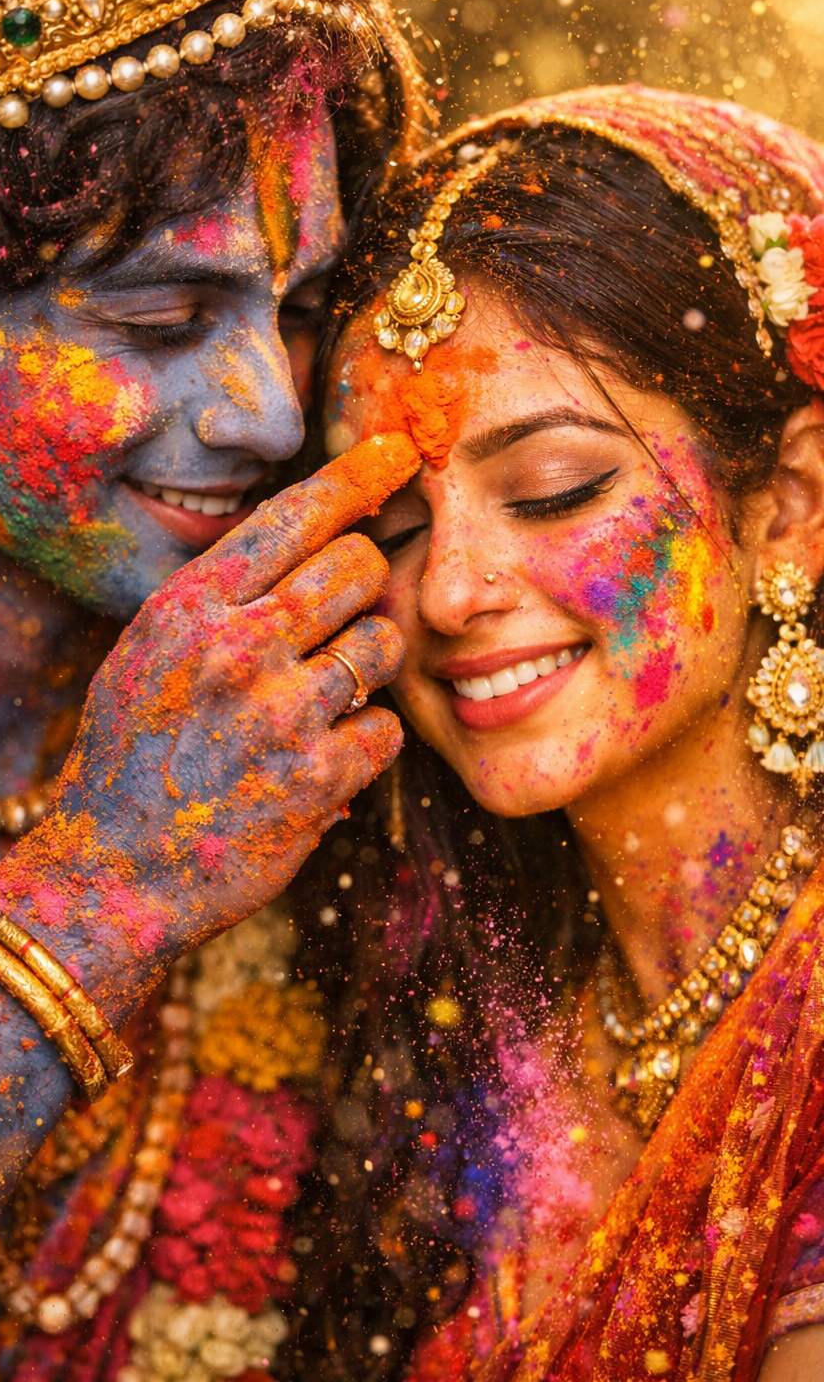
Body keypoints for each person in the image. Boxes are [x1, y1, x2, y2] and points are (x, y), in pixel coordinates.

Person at [0, 0, 430, 1376]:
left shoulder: (329, 746)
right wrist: (119, 883)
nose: (269, 413)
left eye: (294, 305)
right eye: (160, 316)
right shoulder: (214, 788)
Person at [310, 85, 824, 1382]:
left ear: (790, 508)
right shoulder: (465, 1016)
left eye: (551, 487)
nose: (446, 592)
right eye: (395, 524)